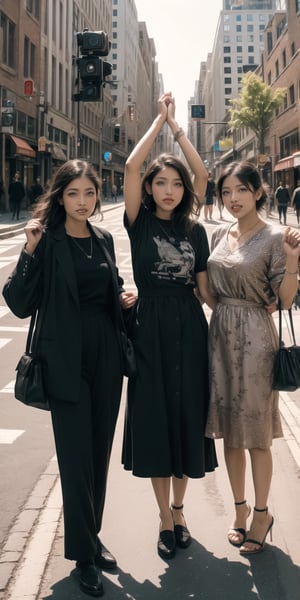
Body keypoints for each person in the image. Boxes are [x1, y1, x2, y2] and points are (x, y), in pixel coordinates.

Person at [3, 159, 136, 597]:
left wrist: (124, 296)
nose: (83, 202)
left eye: (90, 193)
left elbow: (108, 287)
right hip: (65, 358)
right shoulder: (49, 241)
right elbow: (20, 303)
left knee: (98, 452)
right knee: (75, 456)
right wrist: (28, 251)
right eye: (74, 194)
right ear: (61, 196)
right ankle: (82, 555)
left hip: (106, 355)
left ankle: (92, 538)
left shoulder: (102, 240)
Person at [121, 92, 218, 560]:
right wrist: (159, 123)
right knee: (156, 421)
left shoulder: (194, 231)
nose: (168, 190)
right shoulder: (138, 223)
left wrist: (178, 129)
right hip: (149, 329)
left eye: (175, 184)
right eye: (160, 182)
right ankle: (164, 516)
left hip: (188, 328)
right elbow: (129, 170)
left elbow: (203, 290)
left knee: (186, 420)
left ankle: (180, 508)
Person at [204, 161, 300, 555]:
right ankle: (239, 511)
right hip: (220, 336)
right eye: (226, 192)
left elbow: (288, 299)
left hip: (258, 341)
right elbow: (207, 289)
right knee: (228, 429)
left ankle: (262, 513)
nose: (232, 199)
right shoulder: (218, 235)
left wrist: (293, 260)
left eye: (241, 190)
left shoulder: (277, 236)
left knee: (257, 434)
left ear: (258, 191)